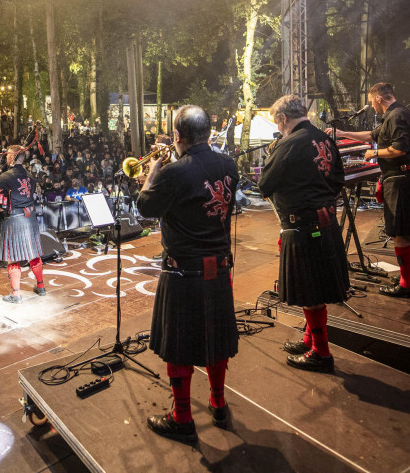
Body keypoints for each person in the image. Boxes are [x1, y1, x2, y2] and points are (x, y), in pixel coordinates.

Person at [136, 105, 239, 443]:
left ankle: (182, 419)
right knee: (216, 341)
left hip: (184, 272)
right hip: (219, 269)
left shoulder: (172, 173)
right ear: (207, 132)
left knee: (179, 348)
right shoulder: (228, 164)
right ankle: (219, 404)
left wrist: (150, 174)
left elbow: (145, 208)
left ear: (177, 136)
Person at [259, 95, 348, 373]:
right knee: (315, 288)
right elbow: (337, 181)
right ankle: (310, 339)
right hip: (324, 222)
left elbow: (264, 184)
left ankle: (321, 353)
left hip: (303, 226)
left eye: (277, 121)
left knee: (311, 292)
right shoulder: (325, 139)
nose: (278, 126)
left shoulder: (289, 144)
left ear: (283, 119)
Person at [330, 83, 410, 298]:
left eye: (371, 102)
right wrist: (341, 133)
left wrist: (373, 155)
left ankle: (407, 285)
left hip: (403, 180)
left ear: (378, 98)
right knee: (405, 233)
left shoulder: (396, 116)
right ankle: (408, 278)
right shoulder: (397, 114)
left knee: (400, 234)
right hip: (407, 178)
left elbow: (399, 148)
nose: (371, 107)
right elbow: (371, 135)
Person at [0, 145, 46, 304]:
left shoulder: (5, 177)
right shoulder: (30, 176)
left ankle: (16, 295)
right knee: (33, 254)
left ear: (12, 157)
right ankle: (41, 286)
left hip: (13, 219)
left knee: (12, 257)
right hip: (30, 217)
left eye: (7, 155)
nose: (6, 157)